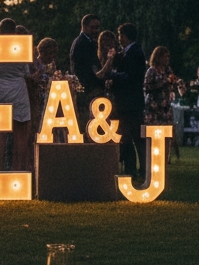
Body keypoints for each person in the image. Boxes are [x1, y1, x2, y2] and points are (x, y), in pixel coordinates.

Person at [0, 18, 32, 171]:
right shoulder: (21, 47)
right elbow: (26, 72)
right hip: (19, 90)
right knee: (20, 134)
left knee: (0, 133)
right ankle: (18, 168)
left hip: (1, 90)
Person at [108, 22, 147, 182]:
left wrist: (112, 76)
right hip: (129, 103)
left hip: (130, 103)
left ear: (124, 36)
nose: (119, 39)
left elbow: (131, 78)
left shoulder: (135, 53)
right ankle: (138, 169)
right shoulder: (129, 52)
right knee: (133, 138)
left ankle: (136, 169)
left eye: (120, 36)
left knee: (131, 137)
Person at [144, 45, 179, 161]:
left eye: (168, 56)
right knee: (154, 134)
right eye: (165, 56)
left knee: (167, 134)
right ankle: (154, 159)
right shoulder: (151, 71)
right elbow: (147, 88)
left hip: (165, 107)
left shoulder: (168, 70)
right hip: (154, 107)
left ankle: (165, 158)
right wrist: (165, 82)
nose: (167, 59)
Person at [70, 13, 103, 136]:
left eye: (98, 27)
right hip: (87, 90)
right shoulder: (83, 43)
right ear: (84, 26)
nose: (96, 30)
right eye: (93, 27)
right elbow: (91, 70)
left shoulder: (87, 42)